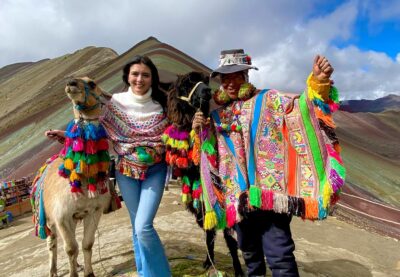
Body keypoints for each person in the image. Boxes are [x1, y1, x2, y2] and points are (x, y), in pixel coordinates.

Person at [193, 49, 345, 276]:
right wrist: (200, 130)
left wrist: (318, 83)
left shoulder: (269, 99)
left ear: (246, 75)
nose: (230, 83)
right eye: (225, 78)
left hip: (270, 195)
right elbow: (209, 153)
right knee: (250, 256)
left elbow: (301, 108)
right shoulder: (217, 115)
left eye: (235, 76)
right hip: (238, 196)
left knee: (280, 256)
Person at [46, 55, 171, 277]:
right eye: (135, 74)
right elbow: (92, 130)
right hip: (126, 170)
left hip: (155, 169)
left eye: (145, 74)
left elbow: (172, 133)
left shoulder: (163, 105)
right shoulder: (115, 104)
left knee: (143, 226)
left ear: (152, 78)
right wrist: (66, 135)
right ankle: (144, 273)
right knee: (136, 227)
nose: (139, 79)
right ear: (127, 77)